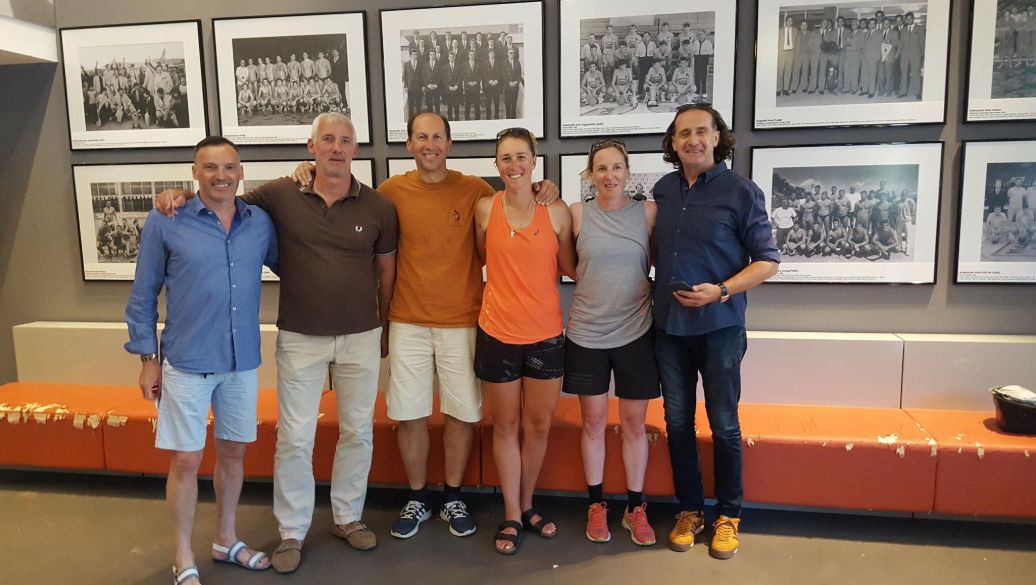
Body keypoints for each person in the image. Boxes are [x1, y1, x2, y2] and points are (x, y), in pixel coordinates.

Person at [288, 112, 560, 542]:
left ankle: (453, 497)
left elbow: (518, 196)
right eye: (421, 137)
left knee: (461, 416)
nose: (430, 144)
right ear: (409, 145)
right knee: (410, 415)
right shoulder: (389, 193)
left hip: (464, 321)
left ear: (449, 144)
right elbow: (342, 195)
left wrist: (546, 188)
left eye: (437, 137)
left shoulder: (476, 191)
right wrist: (304, 171)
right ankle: (418, 497)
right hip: (407, 322)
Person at [156, 113, 398, 573]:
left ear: (355, 149)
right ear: (311, 146)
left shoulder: (378, 206)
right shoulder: (280, 195)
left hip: (361, 336)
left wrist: (383, 325)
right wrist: (180, 196)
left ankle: (347, 517)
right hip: (301, 336)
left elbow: (387, 271)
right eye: (327, 139)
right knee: (295, 437)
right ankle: (292, 530)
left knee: (357, 432)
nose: (336, 148)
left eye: (345, 141)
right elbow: (221, 200)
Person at [126, 136, 278, 585]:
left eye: (229, 167)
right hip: (187, 362)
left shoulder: (259, 223)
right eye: (210, 167)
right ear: (195, 173)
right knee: (187, 461)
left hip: (241, 361)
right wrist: (148, 358)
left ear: (241, 172)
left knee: (234, 453)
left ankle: (226, 540)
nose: (221, 176)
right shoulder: (167, 219)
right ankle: (183, 556)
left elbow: (296, 264)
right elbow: (143, 295)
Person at [651, 105, 779, 560]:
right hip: (669, 328)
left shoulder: (742, 191)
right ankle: (690, 511)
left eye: (701, 131)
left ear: (717, 137)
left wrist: (721, 290)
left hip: (720, 328)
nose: (693, 140)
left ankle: (728, 515)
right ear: (673, 142)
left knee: (724, 424)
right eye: (683, 133)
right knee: (677, 423)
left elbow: (767, 261)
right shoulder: (663, 190)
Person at [474, 127, 576, 555]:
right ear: (496, 165)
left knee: (537, 427)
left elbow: (571, 267)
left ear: (534, 161)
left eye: (521, 157)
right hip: (496, 333)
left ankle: (529, 503)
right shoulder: (484, 208)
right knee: (505, 425)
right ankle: (512, 513)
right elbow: (479, 259)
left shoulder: (556, 212)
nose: (514, 165)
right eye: (506, 158)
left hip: (545, 336)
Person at [565, 138, 660, 546]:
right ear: (591, 174)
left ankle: (635, 508)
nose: (609, 175)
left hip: (636, 333)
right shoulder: (577, 213)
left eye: (616, 167)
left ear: (627, 171)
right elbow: (569, 265)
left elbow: (657, 260)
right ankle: (596, 505)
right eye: (601, 168)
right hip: (586, 334)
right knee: (594, 423)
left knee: (634, 424)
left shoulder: (648, 212)